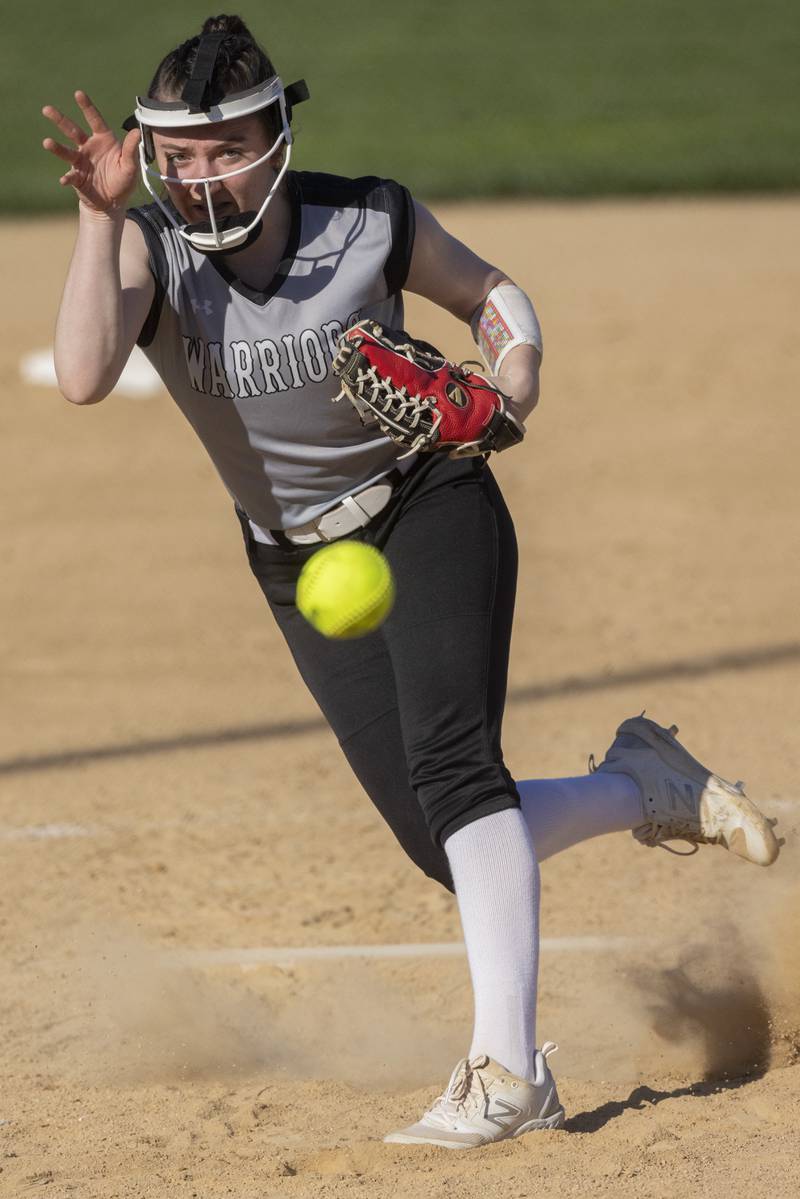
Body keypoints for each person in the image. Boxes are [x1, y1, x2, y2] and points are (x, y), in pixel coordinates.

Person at [43, 14, 782, 1150]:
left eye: (225, 145)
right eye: (177, 153)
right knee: (437, 834)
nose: (201, 175)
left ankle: (506, 1071)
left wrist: (509, 388)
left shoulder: (368, 220)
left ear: (274, 137)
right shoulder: (149, 250)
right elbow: (86, 374)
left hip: (429, 496)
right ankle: (642, 784)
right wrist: (98, 218)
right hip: (294, 560)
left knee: (453, 765)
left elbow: (493, 296)